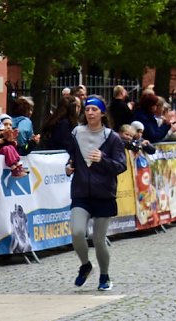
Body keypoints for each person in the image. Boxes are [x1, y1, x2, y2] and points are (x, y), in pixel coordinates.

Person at [64, 96, 127, 292]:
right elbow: (72, 157)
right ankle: (85, 265)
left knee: (99, 240)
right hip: (81, 191)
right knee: (77, 232)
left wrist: (103, 158)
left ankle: (105, 275)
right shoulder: (76, 133)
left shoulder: (112, 137)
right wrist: (68, 167)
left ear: (102, 113)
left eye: (94, 109)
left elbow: (121, 165)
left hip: (103, 193)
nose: (90, 113)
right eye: (87, 109)